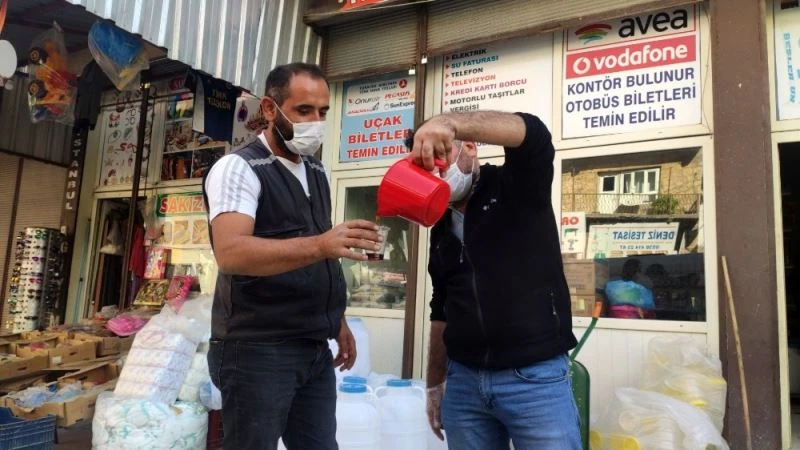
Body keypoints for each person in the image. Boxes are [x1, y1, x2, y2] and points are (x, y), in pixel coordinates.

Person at [202, 63, 382, 450]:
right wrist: (322, 245)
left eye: (323, 112)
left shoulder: (316, 170)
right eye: (304, 111)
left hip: (312, 347)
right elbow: (231, 252)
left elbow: (317, 251)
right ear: (270, 109)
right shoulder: (238, 168)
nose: (316, 122)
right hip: (257, 350)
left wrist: (337, 320)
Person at [413, 111, 581, 449]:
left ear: (471, 147)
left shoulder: (516, 187)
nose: (438, 169)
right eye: (429, 164)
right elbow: (441, 307)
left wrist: (448, 123)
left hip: (534, 381)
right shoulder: (441, 225)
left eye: (443, 153)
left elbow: (535, 135)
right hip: (464, 382)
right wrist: (435, 381)